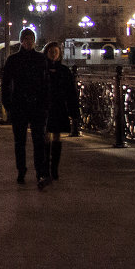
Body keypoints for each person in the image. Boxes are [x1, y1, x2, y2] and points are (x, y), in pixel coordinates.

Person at [0, 28, 51, 189]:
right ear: (22, 41)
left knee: (39, 141)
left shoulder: (41, 59)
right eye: (26, 39)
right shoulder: (13, 60)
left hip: (37, 106)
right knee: (19, 142)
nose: (29, 42)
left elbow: (47, 84)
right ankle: (21, 171)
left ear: (34, 41)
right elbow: (6, 84)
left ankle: (40, 172)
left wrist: (45, 104)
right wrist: (8, 105)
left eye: (31, 39)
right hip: (19, 106)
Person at [44, 41, 81, 180]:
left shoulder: (64, 71)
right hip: (45, 107)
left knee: (57, 136)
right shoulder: (42, 68)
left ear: (59, 54)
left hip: (59, 107)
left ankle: (54, 168)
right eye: (51, 51)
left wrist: (73, 111)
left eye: (56, 51)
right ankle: (46, 168)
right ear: (47, 53)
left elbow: (71, 92)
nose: (53, 54)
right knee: (45, 135)